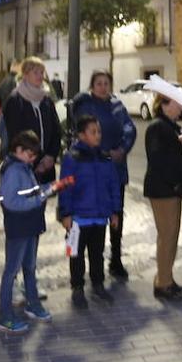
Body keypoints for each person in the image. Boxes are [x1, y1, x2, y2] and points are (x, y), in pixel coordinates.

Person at [70, 70, 136, 280]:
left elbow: (130, 129)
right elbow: (82, 131)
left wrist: (122, 150)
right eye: (98, 83)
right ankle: (85, 270)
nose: (103, 87)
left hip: (115, 169)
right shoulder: (85, 105)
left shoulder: (117, 106)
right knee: (91, 220)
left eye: (106, 83)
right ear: (92, 86)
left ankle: (115, 259)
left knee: (116, 214)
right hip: (92, 169)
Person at [0, 130, 59, 334]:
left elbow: (29, 191)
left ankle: (32, 302)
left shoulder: (23, 167)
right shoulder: (14, 170)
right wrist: (38, 199)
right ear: (19, 150)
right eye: (30, 155)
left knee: (30, 267)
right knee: (12, 270)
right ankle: (4, 314)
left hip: (29, 225)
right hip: (19, 227)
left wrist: (48, 188)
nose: (33, 160)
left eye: (34, 156)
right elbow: (11, 201)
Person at [57, 115, 122, 306]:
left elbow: (113, 185)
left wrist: (114, 211)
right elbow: (65, 187)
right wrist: (65, 214)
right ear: (81, 135)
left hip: (99, 218)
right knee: (75, 254)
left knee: (97, 254)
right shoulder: (72, 158)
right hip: (77, 218)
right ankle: (77, 287)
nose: (98, 135)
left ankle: (98, 283)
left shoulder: (104, 158)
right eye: (93, 131)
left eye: (99, 131)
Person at [143, 94, 182, 301]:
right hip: (163, 191)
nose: (180, 107)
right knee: (167, 237)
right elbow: (159, 160)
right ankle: (163, 284)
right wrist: (175, 183)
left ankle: (165, 278)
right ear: (164, 105)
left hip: (169, 190)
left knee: (170, 237)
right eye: (176, 103)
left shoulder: (169, 125)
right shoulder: (158, 127)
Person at [0, 57, 61, 184]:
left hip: (46, 166)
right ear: (25, 75)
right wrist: (34, 159)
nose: (40, 76)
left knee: (41, 200)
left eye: (41, 72)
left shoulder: (46, 100)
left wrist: (51, 156)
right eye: (35, 72)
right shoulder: (15, 100)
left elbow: (56, 130)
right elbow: (15, 135)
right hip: (23, 165)